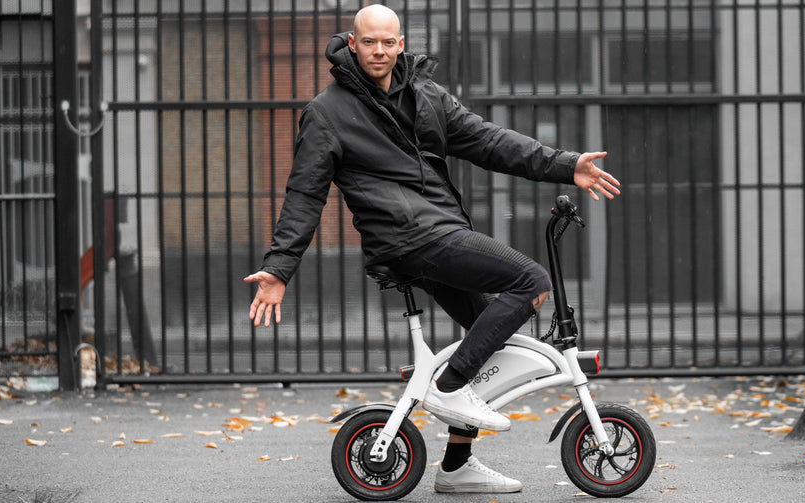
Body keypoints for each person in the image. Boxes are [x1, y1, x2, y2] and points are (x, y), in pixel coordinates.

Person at [244, 4, 620, 494]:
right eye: (369, 42)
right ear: (352, 44)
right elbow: (305, 193)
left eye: (388, 41)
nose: (379, 50)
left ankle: (457, 465)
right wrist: (279, 267)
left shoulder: (426, 95)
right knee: (530, 280)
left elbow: (489, 141)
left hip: (438, 231)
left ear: (401, 44)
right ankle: (447, 389)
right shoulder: (327, 113)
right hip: (408, 239)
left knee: (491, 349)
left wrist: (565, 165)